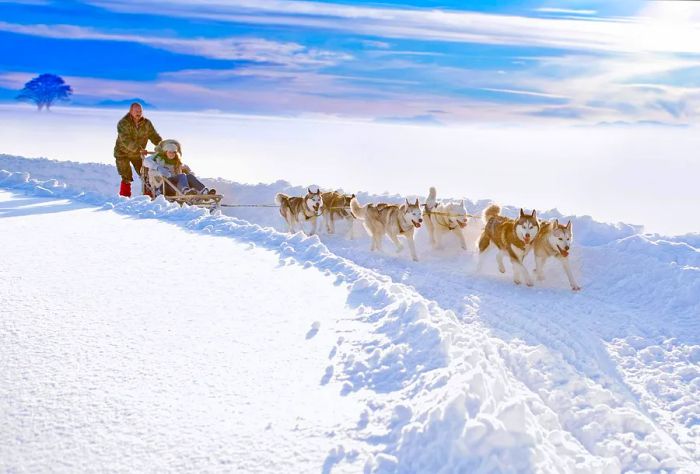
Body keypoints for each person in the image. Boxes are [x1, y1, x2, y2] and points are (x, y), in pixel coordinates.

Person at [113, 102, 162, 197]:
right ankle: (125, 197)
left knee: (145, 175)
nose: (138, 113)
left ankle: (149, 195)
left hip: (137, 155)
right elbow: (126, 140)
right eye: (136, 111)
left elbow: (154, 136)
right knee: (126, 176)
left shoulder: (147, 123)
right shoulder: (123, 123)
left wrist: (162, 146)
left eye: (140, 111)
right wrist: (138, 149)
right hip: (122, 154)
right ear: (131, 111)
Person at [143, 139, 217, 196]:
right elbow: (145, 161)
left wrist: (188, 171)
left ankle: (204, 192)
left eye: (174, 152)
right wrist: (158, 167)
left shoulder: (177, 162)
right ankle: (185, 191)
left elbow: (183, 173)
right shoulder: (157, 158)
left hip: (175, 185)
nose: (172, 154)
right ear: (165, 152)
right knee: (182, 176)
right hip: (163, 186)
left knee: (189, 176)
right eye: (170, 152)